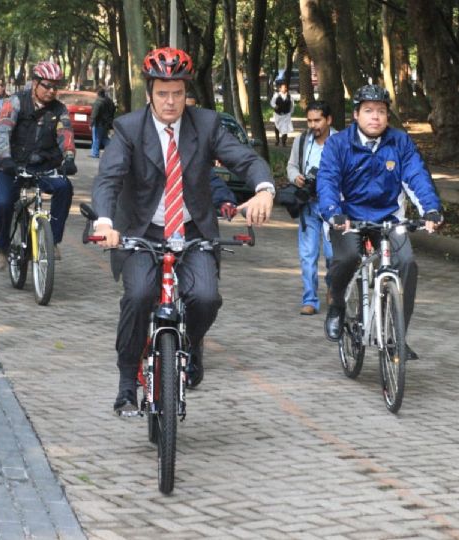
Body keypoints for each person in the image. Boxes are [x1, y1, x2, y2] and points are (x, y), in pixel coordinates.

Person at [91, 46, 276, 414]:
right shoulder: (128, 128)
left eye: (178, 93)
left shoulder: (206, 125)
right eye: (162, 93)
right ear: (149, 94)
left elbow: (246, 160)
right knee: (140, 295)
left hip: (192, 230)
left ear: (186, 93)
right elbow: (108, 179)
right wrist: (104, 221)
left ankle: (190, 343)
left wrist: (264, 190)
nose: (171, 102)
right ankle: (128, 380)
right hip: (142, 230)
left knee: (206, 298)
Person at [318, 84, 442, 359]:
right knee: (348, 258)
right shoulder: (338, 144)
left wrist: (431, 210)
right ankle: (337, 303)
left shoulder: (400, 142)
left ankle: (397, 335)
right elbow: (327, 181)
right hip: (348, 219)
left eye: (382, 112)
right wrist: (333, 213)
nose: (375, 117)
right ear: (356, 115)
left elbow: (416, 176)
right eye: (369, 111)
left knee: (407, 262)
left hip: (388, 219)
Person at [0, 60, 76, 270]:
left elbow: (65, 133)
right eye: (47, 85)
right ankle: (1, 246)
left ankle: (52, 240)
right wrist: (6, 158)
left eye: (56, 86)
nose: (52, 91)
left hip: (43, 164)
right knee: (3, 204)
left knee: (65, 188)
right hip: (11, 164)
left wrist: (69, 157)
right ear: (35, 83)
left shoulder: (59, 109)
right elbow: (1, 131)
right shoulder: (15, 102)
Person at [286, 100, 337, 316]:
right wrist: (295, 177)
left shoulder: (340, 141)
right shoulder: (302, 141)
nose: (313, 125)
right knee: (307, 255)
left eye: (317, 120)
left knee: (333, 254)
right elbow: (291, 166)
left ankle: (333, 291)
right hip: (307, 203)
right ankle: (310, 299)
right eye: (310, 120)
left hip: (333, 206)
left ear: (328, 120)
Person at [90, 87, 115, 158]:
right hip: (106, 123)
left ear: (97, 94)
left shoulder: (98, 102)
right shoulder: (108, 101)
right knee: (104, 138)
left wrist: (91, 123)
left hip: (98, 123)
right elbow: (112, 111)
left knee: (96, 138)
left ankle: (95, 153)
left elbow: (94, 114)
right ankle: (114, 147)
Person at [270, 81, 293, 147]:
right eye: (282, 87)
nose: (284, 88)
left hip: (286, 114)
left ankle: (284, 141)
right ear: (280, 89)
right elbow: (272, 102)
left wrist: (290, 112)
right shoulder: (276, 95)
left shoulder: (289, 96)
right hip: (278, 114)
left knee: (285, 128)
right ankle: (277, 140)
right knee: (277, 126)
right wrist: (275, 106)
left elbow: (292, 105)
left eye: (285, 87)